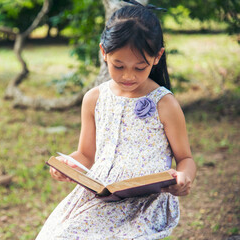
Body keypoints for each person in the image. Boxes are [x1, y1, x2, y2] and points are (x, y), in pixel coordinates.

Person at [36, 2, 196, 239]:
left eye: (139, 67)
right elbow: (86, 155)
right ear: (104, 53)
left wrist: (184, 178)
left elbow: (185, 159)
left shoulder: (164, 103)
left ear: (157, 57)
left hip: (144, 205)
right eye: (118, 66)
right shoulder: (94, 98)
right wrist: (68, 166)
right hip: (98, 198)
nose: (128, 76)